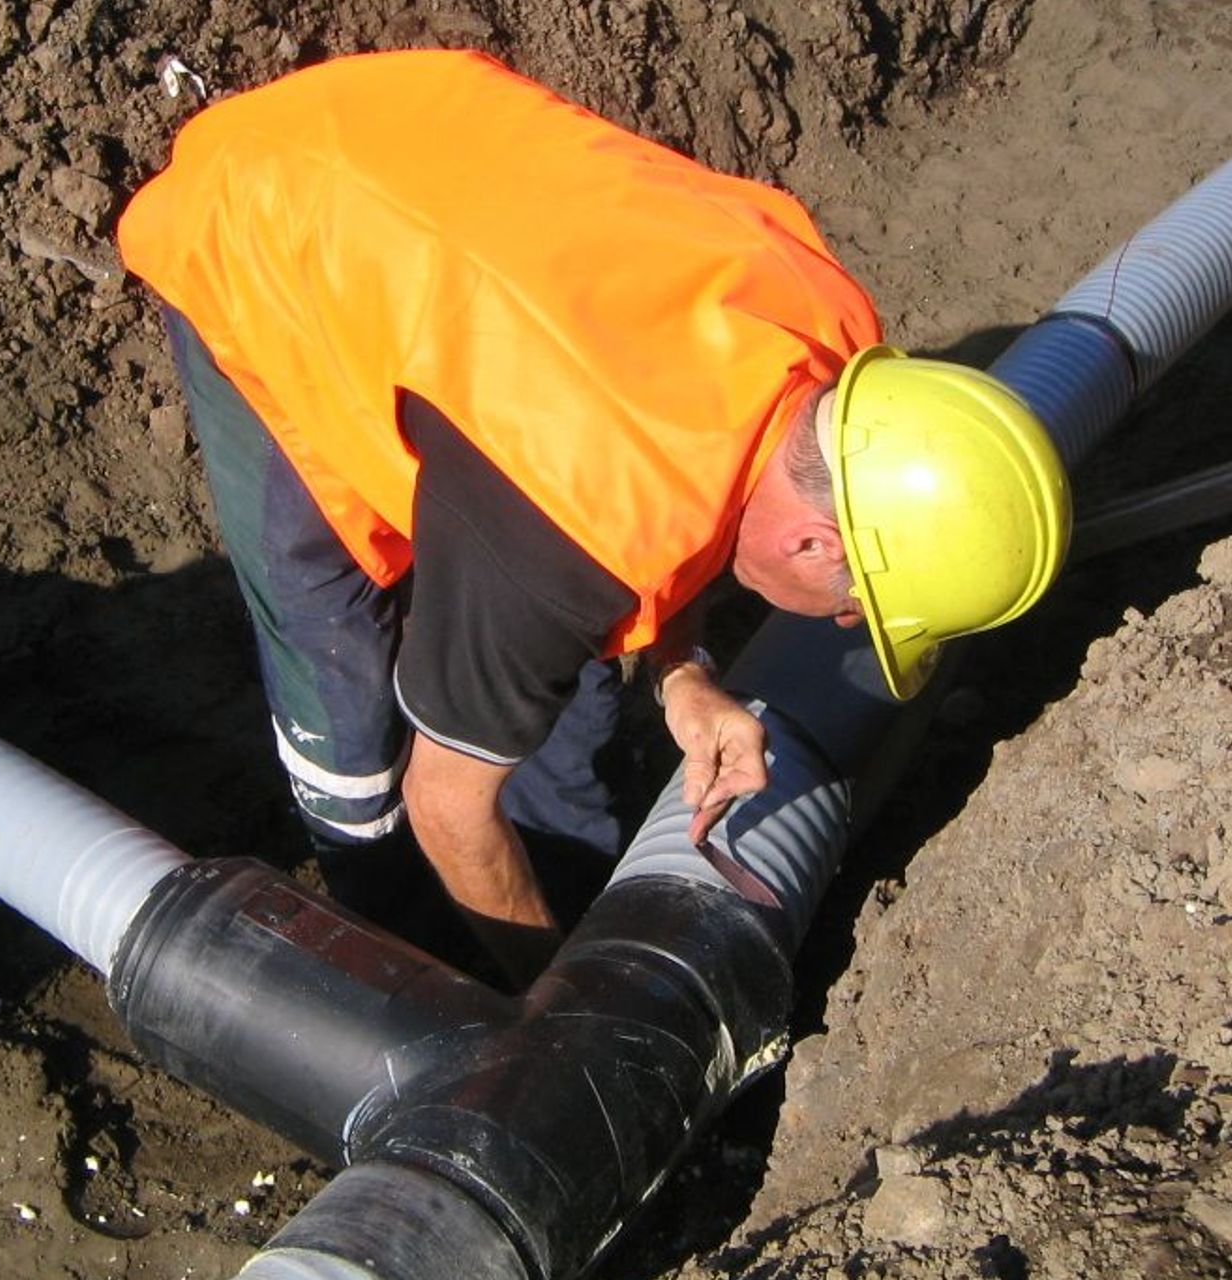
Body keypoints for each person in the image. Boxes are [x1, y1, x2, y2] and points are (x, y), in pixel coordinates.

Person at [117, 49, 1069, 984]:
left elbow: (696, 484)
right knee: (336, 645)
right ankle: (379, 920)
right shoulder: (569, 536)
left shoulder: (833, 360)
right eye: (861, 605)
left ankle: (551, 853)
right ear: (815, 539)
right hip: (268, 216)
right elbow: (448, 807)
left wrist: (683, 674)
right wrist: (551, 1009)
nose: (850, 623)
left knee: (539, 666)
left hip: (439, 182)